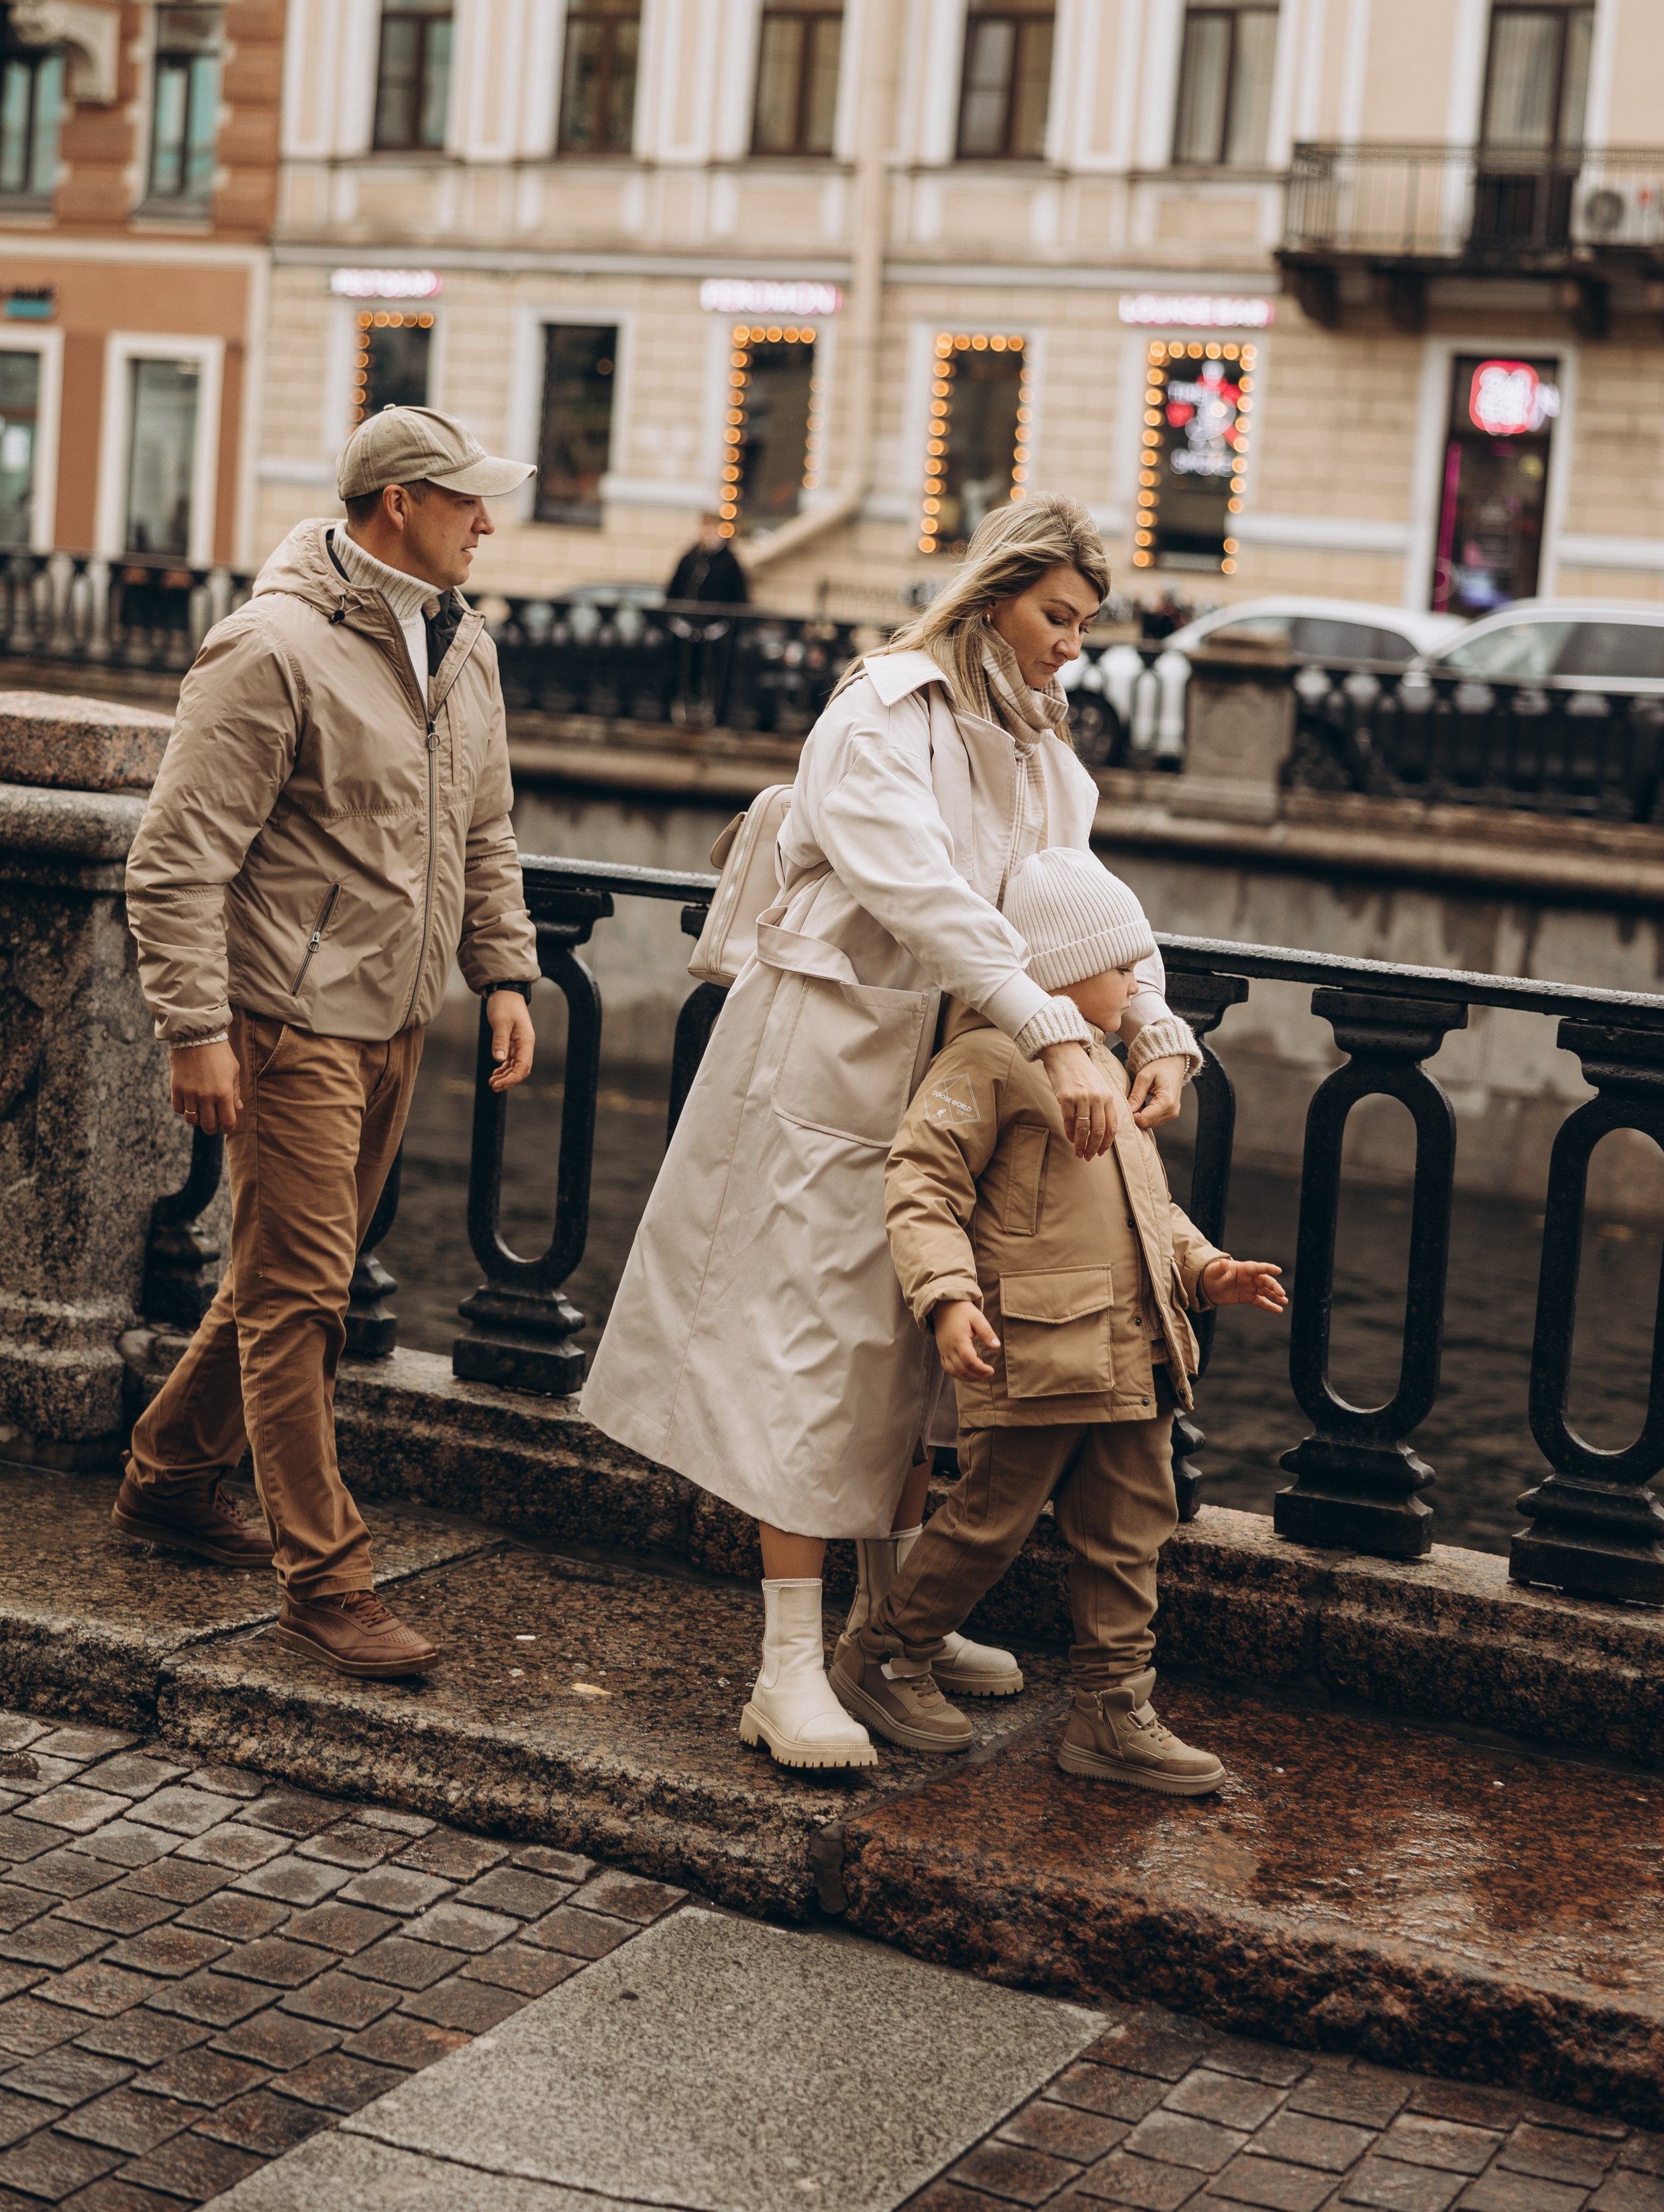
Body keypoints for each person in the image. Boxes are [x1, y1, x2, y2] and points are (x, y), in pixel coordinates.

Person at [581, 496, 1202, 1769]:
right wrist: (1051, 1028)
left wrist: (1153, 1021)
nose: (1072, 647)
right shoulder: (883, 711)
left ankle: (893, 1620)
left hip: (946, 1066)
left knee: (916, 1361)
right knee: (809, 1355)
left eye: (1085, 626)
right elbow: (915, 894)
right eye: (1057, 618)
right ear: (994, 598)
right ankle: (789, 1667)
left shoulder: (1037, 740)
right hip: (829, 1055)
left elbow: (1079, 902)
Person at [115, 407, 541, 1682]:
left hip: (397, 1017)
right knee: (305, 1298)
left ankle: (169, 1476)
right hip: (289, 1025)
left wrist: (504, 968)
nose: (489, 522)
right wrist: (198, 1032)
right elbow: (175, 862)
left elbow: (486, 826)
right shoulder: (271, 649)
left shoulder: (463, 646)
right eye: (469, 501)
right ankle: (326, 1579)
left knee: (282, 1276)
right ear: (399, 502)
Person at [831, 846, 1287, 1787]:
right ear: (1064, 969)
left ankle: (1113, 1711)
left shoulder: (1103, 1068)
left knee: (1130, 1533)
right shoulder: (992, 1058)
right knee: (987, 1522)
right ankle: (881, 1655)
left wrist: (1206, 1270)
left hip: (1132, 1354)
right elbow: (922, 1182)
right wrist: (947, 1297)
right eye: (1121, 962)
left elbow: (1145, 1209)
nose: (1135, 980)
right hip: (1040, 1353)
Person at [667, 513, 750, 607]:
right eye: (707, 532)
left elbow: (739, 595)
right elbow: (675, 589)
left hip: (716, 618)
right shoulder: (689, 559)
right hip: (685, 616)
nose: (710, 537)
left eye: (714, 532)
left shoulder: (730, 563)